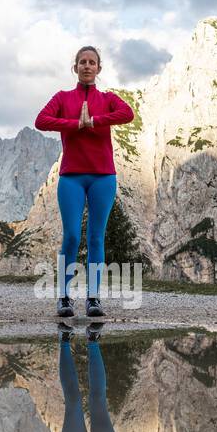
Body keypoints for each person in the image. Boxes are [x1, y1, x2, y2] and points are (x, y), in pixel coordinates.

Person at [34, 45, 135, 320]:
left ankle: (93, 298)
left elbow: (128, 114)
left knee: (95, 237)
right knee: (71, 236)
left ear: (99, 69)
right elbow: (41, 121)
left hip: (103, 176)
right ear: (75, 68)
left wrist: (94, 121)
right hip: (72, 177)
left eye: (92, 62)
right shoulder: (63, 97)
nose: (87, 66)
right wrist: (75, 124)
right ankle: (64, 297)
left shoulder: (109, 98)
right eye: (82, 62)